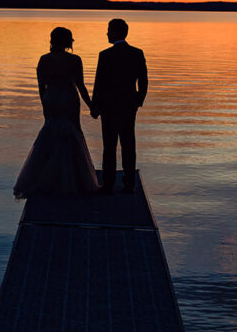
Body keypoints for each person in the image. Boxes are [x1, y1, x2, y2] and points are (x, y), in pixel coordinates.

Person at [13, 27, 100, 199]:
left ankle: (46, 178)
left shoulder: (44, 59)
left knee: (50, 133)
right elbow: (81, 86)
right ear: (68, 41)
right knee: (71, 134)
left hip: (51, 97)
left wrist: (44, 104)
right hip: (68, 97)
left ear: (52, 40)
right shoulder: (75, 60)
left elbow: (41, 86)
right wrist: (91, 106)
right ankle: (71, 179)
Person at [91, 18, 148, 194]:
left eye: (109, 30)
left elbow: (99, 83)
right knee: (128, 143)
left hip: (109, 106)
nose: (107, 33)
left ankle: (108, 184)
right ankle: (129, 183)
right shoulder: (137, 53)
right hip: (128, 106)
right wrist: (138, 101)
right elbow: (144, 81)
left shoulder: (105, 55)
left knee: (109, 146)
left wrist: (95, 106)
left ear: (115, 32)